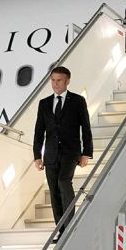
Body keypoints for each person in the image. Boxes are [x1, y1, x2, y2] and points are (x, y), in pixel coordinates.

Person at [32, 66, 92, 232]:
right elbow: (39, 131)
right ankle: (61, 230)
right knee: (53, 191)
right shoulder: (43, 104)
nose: (55, 84)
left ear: (67, 81)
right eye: (53, 80)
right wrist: (37, 156)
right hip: (50, 154)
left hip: (70, 152)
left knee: (63, 182)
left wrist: (86, 153)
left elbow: (85, 128)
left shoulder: (78, 101)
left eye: (59, 80)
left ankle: (71, 225)